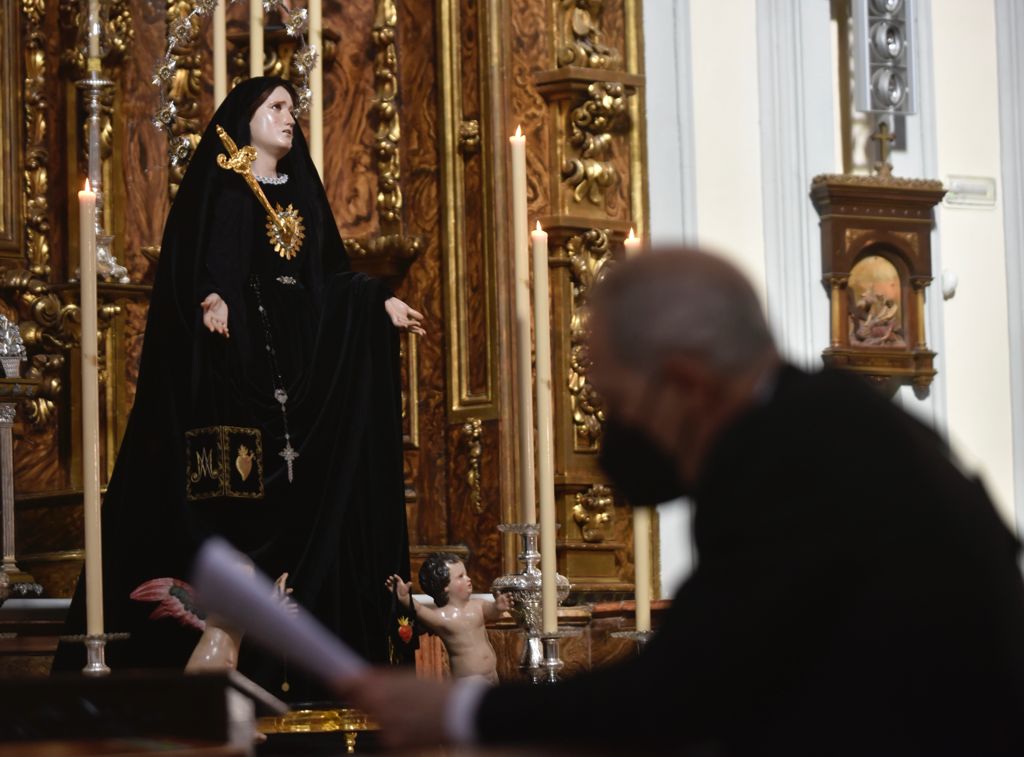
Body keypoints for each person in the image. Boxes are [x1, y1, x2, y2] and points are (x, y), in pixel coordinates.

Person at [338, 246, 1024, 756]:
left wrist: (458, 716)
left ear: (686, 384)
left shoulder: (790, 457)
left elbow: (680, 688)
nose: (610, 437)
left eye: (616, 403)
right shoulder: (824, 419)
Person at [53, 77, 422, 700]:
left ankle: (319, 672)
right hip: (243, 364)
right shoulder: (228, 186)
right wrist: (216, 295)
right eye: (274, 108)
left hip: (303, 370)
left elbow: (327, 278)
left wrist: (376, 301)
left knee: (318, 485)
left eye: (291, 108)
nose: (289, 118)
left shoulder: (303, 189)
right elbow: (211, 258)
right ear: (244, 120)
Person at [386, 553, 512, 683]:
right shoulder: (442, 617)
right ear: (445, 586)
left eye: (466, 574)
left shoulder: (478, 605)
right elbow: (419, 610)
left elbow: (492, 613)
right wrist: (405, 599)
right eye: (460, 576)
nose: (468, 579)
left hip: (492, 675)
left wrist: (497, 607)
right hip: (468, 681)